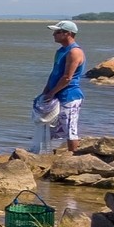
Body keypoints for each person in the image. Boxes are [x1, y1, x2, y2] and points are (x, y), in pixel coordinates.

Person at [41, 20, 86, 153]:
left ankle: (73, 159)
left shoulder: (74, 52)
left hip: (70, 95)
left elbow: (67, 78)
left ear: (68, 34)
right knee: (50, 127)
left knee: (70, 129)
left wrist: (52, 93)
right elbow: (54, 73)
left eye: (57, 32)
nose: (54, 34)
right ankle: (46, 154)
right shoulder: (61, 51)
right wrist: (46, 91)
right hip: (57, 95)